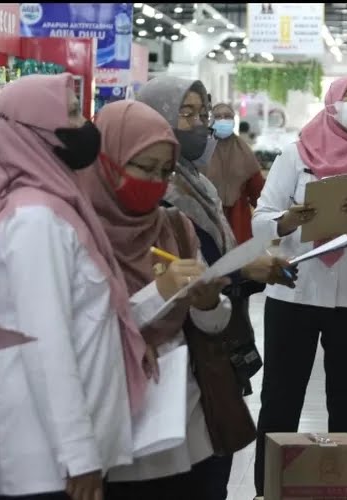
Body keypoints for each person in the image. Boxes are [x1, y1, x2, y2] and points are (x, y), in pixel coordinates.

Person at [0, 74, 154, 500]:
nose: (85, 124)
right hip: (47, 462)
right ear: (34, 134)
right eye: (71, 113)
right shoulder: (36, 220)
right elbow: (43, 342)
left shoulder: (59, 207)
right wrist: (78, 455)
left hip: (62, 453)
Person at [137, 76, 296, 499]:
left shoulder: (198, 183)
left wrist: (247, 268)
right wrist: (241, 270)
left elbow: (212, 254)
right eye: (185, 113)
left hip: (213, 337)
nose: (200, 124)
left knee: (211, 465)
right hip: (173, 351)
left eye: (203, 114)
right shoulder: (150, 192)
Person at [77, 99, 233, 499]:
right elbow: (78, 331)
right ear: (106, 159)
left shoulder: (176, 227)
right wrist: (159, 292)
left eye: (165, 172)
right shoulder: (76, 236)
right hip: (113, 432)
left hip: (185, 425)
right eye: (144, 168)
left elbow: (213, 325)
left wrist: (208, 303)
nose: (156, 182)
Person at [251, 76, 347, 495]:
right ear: (333, 101)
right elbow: (262, 220)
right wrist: (288, 219)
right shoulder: (294, 156)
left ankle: (343, 486)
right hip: (296, 288)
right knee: (281, 397)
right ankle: (269, 486)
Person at [207, 103, 266, 244]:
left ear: (234, 120)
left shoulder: (244, 152)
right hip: (208, 223)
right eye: (218, 116)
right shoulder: (201, 151)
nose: (223, 120)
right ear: (211, 120)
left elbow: (259, 195)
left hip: (239, 225)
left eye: (227, 116)